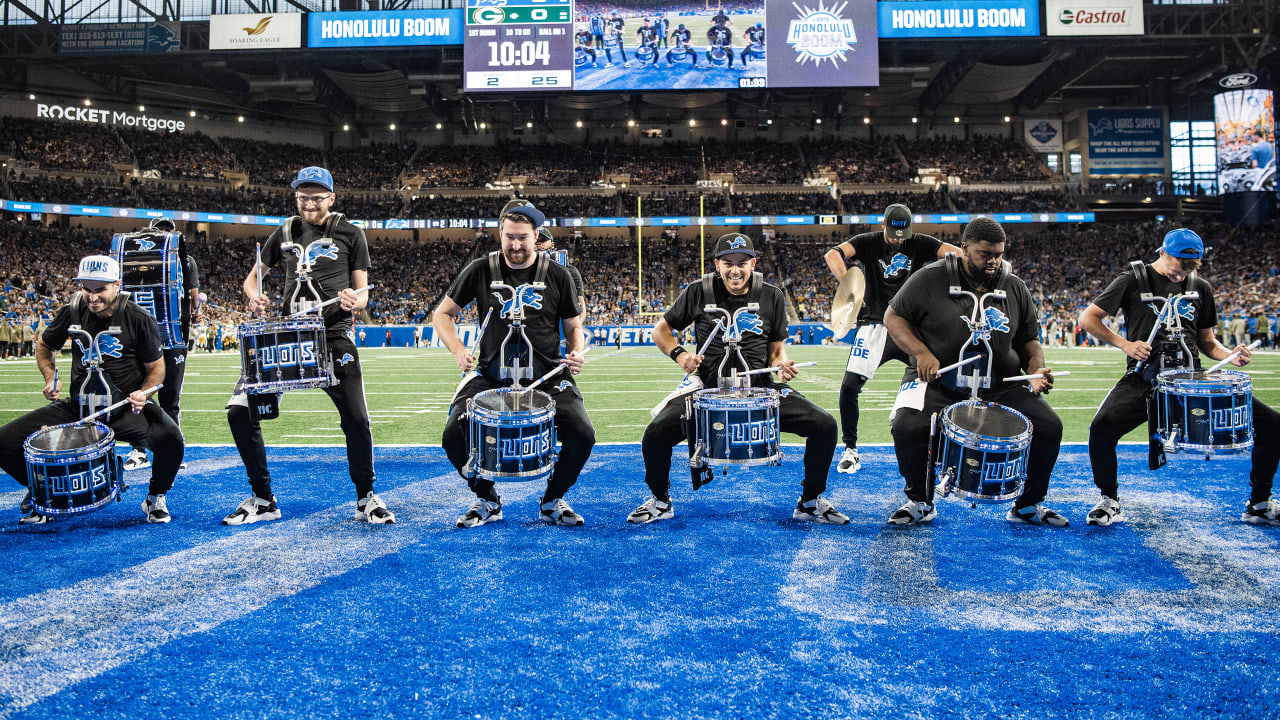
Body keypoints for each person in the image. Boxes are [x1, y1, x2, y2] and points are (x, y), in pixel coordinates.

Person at [627, 233, 847, 525]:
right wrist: (680, 355)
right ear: (717, 264)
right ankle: (660, 500)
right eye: (728, 263)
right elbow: (660, 331)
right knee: (655, 433)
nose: (735, 270)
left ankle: (810, 501)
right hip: (708, 391)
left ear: (753, 263)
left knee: (825, 425)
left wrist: (781, 365)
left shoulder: (772, 295)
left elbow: (776, 352)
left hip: (761, 390)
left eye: (742, 263)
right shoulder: (698, 291)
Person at [222, 166, 395, 526]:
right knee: (240, 410)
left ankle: (366, 496)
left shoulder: (351, 233)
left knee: (357, 418)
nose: (310, 204)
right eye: (304, 197)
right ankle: (263, 498)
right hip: (286, 335)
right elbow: (252, 280)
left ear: (331, 198)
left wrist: (353, 301)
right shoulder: (284, 231)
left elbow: (362, 293)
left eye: (317, 197)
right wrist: (255, 298)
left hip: (332, 334)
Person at [1078, 228, 1280, 526]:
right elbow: (1088, 318)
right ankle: (1109, 499)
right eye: (1176, 270)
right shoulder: (1132, 279)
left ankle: (1259, 503)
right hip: (1146, 376)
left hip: (1191, 377)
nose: (1179, 276)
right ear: (1162, 252)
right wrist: (1126, 344)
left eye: (1187, 269)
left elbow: (1207, 342)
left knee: (1272, 424)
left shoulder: (1201, 287)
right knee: (1102, 428)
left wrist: (1229, 356)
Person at [884, 217, 1067, 527]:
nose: (994, 261)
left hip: (999, 382)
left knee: (1049, 426)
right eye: (985, 254)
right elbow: (893, 317)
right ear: (965, 248)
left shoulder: (1015, 286)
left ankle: (1027, 504)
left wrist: (1035, 371)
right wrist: (921, 353)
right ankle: (920, 500)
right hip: (938, 379)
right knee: (907, 425)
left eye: (999, 254)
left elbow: (1029, 339)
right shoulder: (930, 278)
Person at [432, 202, 596, 528]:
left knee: (583, 433)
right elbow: (442, 314)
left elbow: (574, 326)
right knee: (453, 436)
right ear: (500, 234)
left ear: (536, 235)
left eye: (523, 237)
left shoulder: (558, 274)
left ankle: (552, 499)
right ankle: (487, 498)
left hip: (547, 375)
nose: (516, 245)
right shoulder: (480, 269)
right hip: (492, 375)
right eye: (510, 237)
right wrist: (458, 350)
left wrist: (576, 351)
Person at [0, 255, 184, 524]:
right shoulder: (73, 311)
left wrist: (144, 393)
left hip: (122, 407)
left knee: (171, 439)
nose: (92, 296)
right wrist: (50, 376)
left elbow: (156, 369)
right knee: (4, 441)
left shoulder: (138, 317)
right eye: (87, 288)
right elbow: (44, 345)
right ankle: (43, 494)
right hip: (79, 405)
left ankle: (156, 496)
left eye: (100, 289)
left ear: (117, 285)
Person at [823, 204, 959, 475]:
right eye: (894, 233)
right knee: (850, 386)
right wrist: (847, 282)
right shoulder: (867, 242)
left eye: (903, 234)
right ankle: (850, 449)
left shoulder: (919, 242)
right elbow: (833, 254)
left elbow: (955, 254)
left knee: (938, 381)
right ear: (882, 225)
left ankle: (942, 448)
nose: (898, 240)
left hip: (911, 327)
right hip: (875, 324)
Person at [125, 217, 200, 472]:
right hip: (160, 334)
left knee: (156, 395)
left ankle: (155, 450)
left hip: (158, 334)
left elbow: (192, 293)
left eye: (167, 231)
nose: (166, 234)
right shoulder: (180, 259)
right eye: (163, 231)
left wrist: (193, 312)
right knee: (153, 395)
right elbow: (192, 295)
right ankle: (153, 449)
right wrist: (193, 311)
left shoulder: (182, 260)